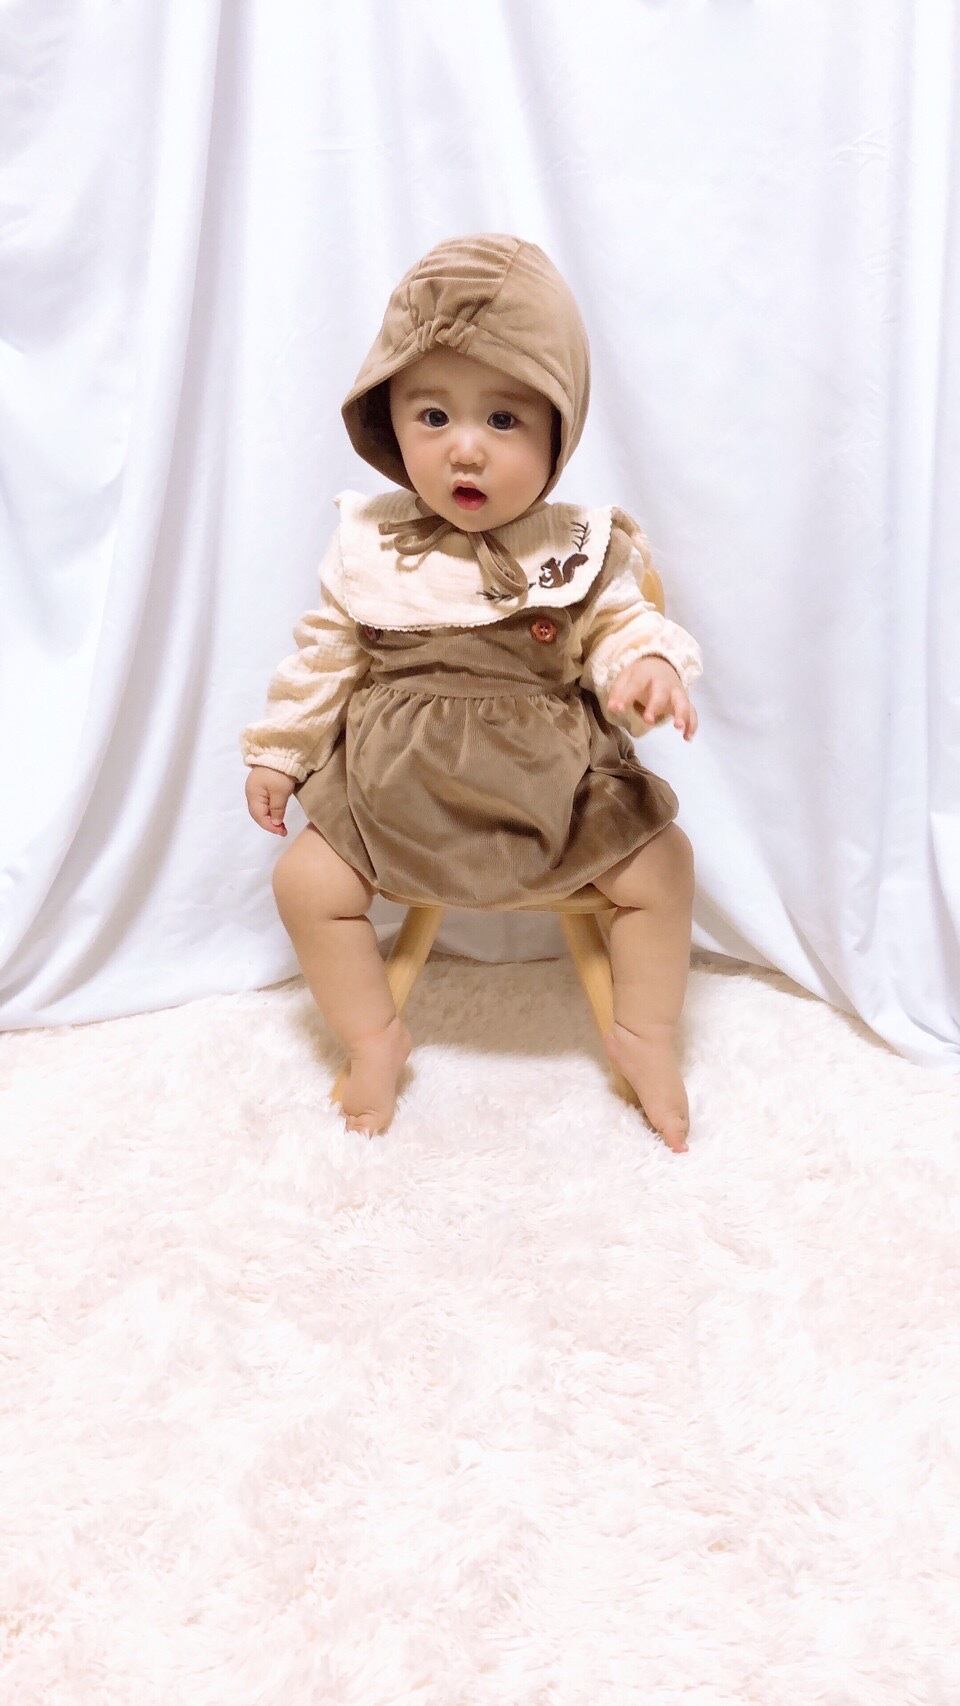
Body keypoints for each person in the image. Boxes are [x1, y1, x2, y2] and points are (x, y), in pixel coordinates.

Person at [241, 234, 703, 1151]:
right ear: (389, 422)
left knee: (665, 867)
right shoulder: (373, 544)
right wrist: (280, 754)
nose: (465, 448)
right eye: (432, 414)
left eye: (503, 419)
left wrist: (645, 666)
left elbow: (622, 622)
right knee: (304, 883)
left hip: (554, 802)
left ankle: (644, 1032)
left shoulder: (574, 546)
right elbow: (324, 658)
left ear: (557, 431)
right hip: (396, 801)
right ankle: (373, 1037)